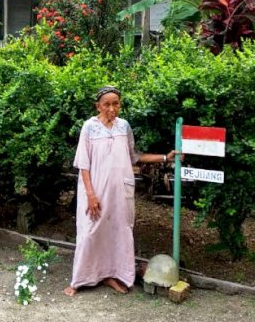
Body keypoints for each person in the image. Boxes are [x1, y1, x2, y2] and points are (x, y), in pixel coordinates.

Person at [64, 85, 179, 296]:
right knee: (89, 232)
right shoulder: (89, 127)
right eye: (106, 104)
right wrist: (90, 194)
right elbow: (83, 164)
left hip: (120, 191)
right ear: (98, 105)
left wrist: (165, 157)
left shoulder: (124, 126)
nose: (111, 108)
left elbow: (134, 157)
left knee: (118, 232)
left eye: (115, 103)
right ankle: (80, 279)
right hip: (95, 191)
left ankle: (112, 275)